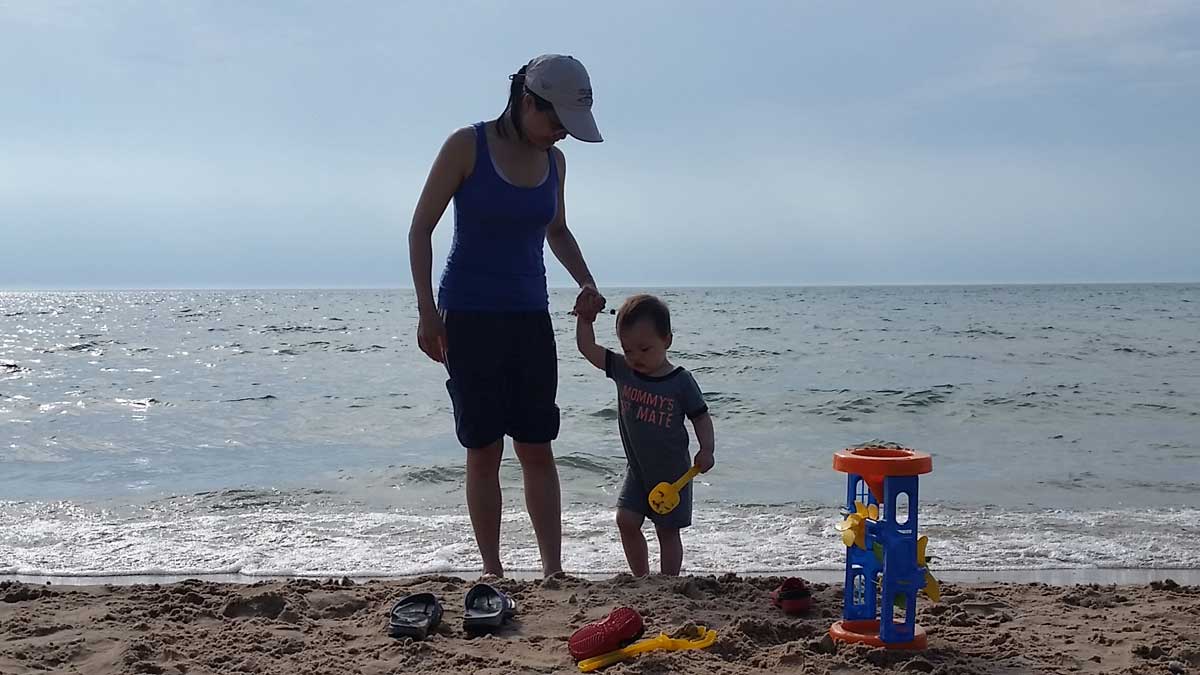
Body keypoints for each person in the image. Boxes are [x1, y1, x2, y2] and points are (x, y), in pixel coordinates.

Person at [408, 54, 607, 578]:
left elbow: (556, 230)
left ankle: (552, 571)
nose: (561, 134)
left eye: (569, 126)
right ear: (526, 102)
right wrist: (428, 313)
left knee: (537, 445)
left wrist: (586, 280)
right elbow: (419, 230)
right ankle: (492, 571)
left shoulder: (556, 164)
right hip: (469, 316)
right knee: (483, 448)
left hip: (529, 318)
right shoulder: (465, 146)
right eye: (555, 121)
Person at [575, 293, 715, 576]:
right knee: (625, 520)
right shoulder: (623, 370)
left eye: (644, 349)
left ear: (667, 340)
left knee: (667, 531)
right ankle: (641, 578)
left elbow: (700, 416)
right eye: (628, 350)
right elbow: (587, 347)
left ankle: (668, 582)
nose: (635, 357)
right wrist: (585, 319)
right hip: (637, 469)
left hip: (673, 474)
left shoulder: (680, 381)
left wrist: (707, 449)